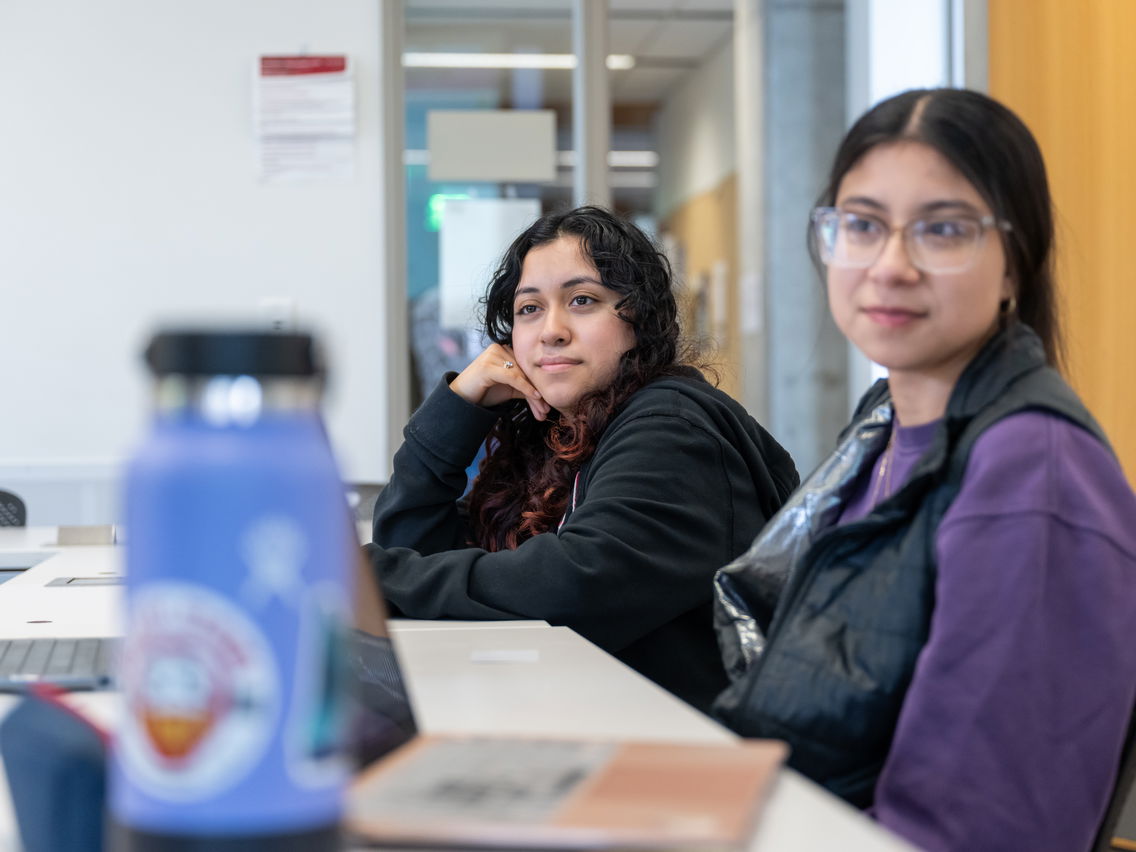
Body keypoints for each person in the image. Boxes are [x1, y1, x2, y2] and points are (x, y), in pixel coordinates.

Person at [713, 88, 1136, 851]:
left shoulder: (1029, 474)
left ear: (1016, 265)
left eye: (943, 230)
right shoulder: (881, 429)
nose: (890, 266)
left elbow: (983, 829)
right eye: (863, 225)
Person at [366, 206, 799, 714]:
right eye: (529, 309)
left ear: (639, 319)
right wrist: (460, 404)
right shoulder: (557, 435)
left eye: (582, 300)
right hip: (592, 724)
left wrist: (371, 573)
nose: (551, 330)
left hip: (685, 756)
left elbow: (570, 588)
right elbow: (415, 548)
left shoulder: (672, 429)